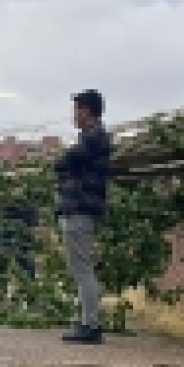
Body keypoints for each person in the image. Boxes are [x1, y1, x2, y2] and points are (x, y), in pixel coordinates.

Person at [56, 89, 111, 344]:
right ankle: (87, 321)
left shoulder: (93, 138)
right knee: (80, 267)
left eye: (77, 109)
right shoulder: (90, 138)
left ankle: (90, 325)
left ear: (86, 111)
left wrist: (64, 167)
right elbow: (65, 165)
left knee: (82, 268)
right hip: (79, 207)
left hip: (81, 207)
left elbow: (64, 162)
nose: (74, 115)